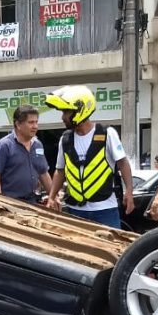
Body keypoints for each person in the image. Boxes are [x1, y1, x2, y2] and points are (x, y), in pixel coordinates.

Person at [44, 85, 134, 227]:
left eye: (66, 112)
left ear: (80, 110)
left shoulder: (107, 134)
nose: (63, 117)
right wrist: (52, 197)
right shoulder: (65, 139)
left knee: (110, 249)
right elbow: (60, 171)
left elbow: (123, 163)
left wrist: (129, 192)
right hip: (75, 211)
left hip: (105, 210)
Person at [0, 104, 52, 204]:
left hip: (32, 202)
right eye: (31, 122)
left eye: (36, 122)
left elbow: (43, 172)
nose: (35, 126)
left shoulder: (38, 145)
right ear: (18, 125)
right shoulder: (4, 145)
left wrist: (53, 197)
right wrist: (0, 203)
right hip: (11, 203)